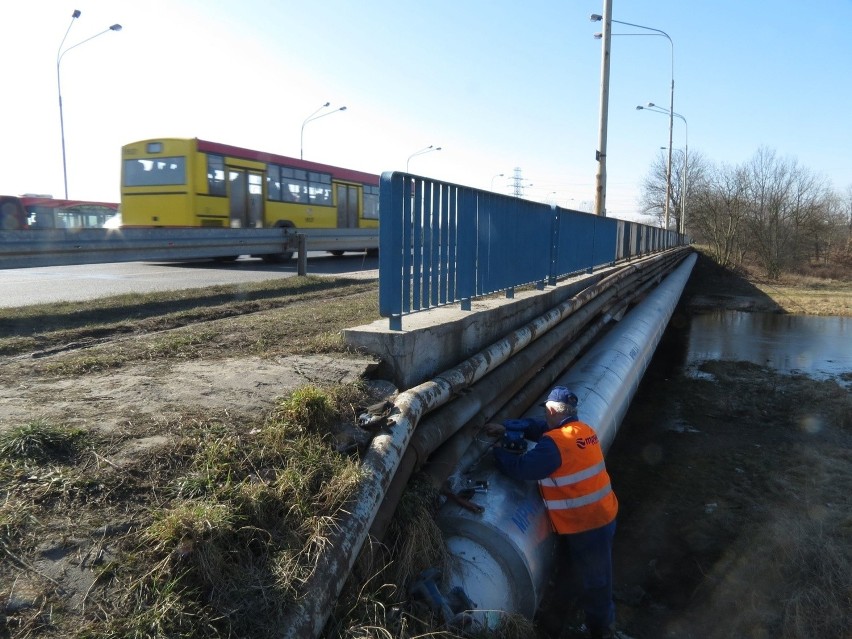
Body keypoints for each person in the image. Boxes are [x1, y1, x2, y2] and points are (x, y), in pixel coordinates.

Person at [484, 386, 618, 639]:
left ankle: (603, 630)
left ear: (554, 411)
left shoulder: (555, 445)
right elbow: (541, 428)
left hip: (588, 524)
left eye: (546, 411)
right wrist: (512, 427)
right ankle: (558, 620)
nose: (545, 416)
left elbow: (523, 468)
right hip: (601, 514)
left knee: (597, 581)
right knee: (575, 573)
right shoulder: (582, 430)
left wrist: (499, 453)